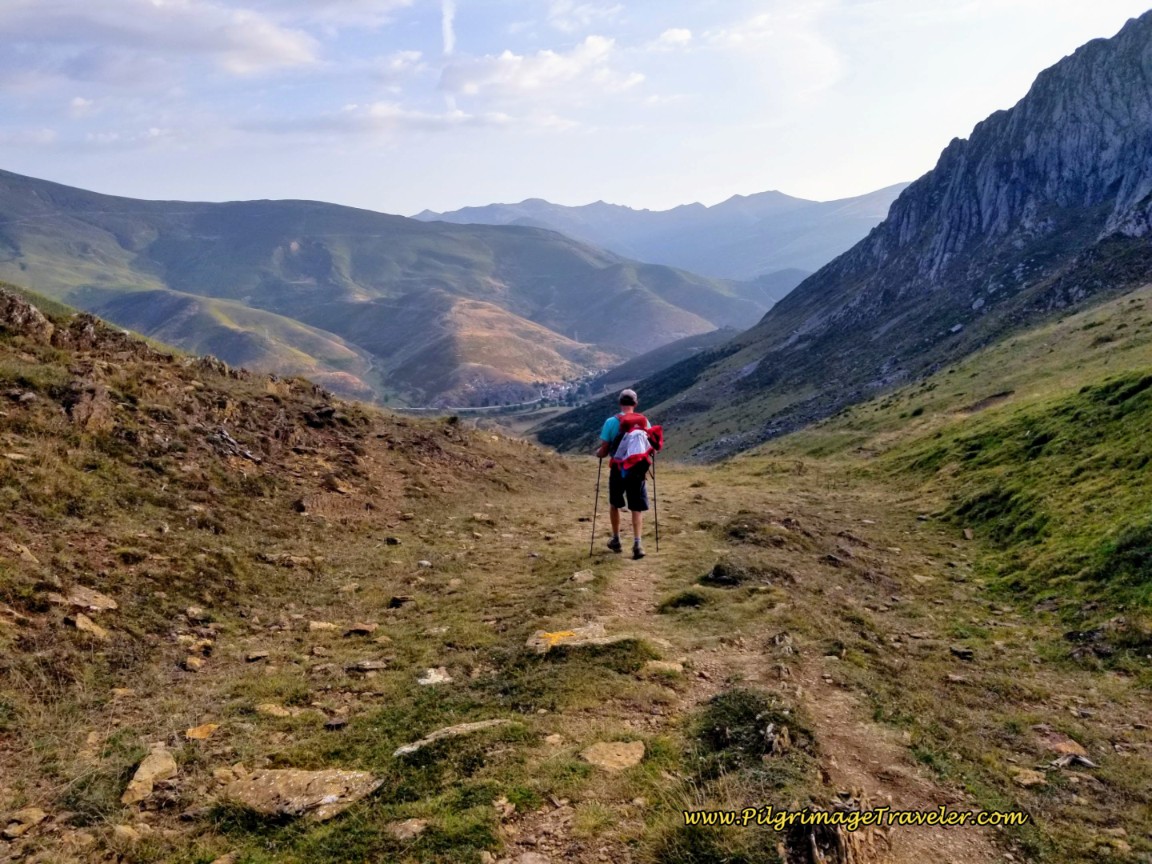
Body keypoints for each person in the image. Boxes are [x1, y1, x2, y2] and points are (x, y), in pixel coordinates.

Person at [595, 389, 652, 559]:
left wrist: (599, 453)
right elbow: (650, 446)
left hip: (618, 469)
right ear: (635, 404)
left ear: (620, 403)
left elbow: (604, 450)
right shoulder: (644, 421)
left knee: (615, 503)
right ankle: (637, 544)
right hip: (637, 471)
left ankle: (616, 540)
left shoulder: (611, 422)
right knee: (636, 507)